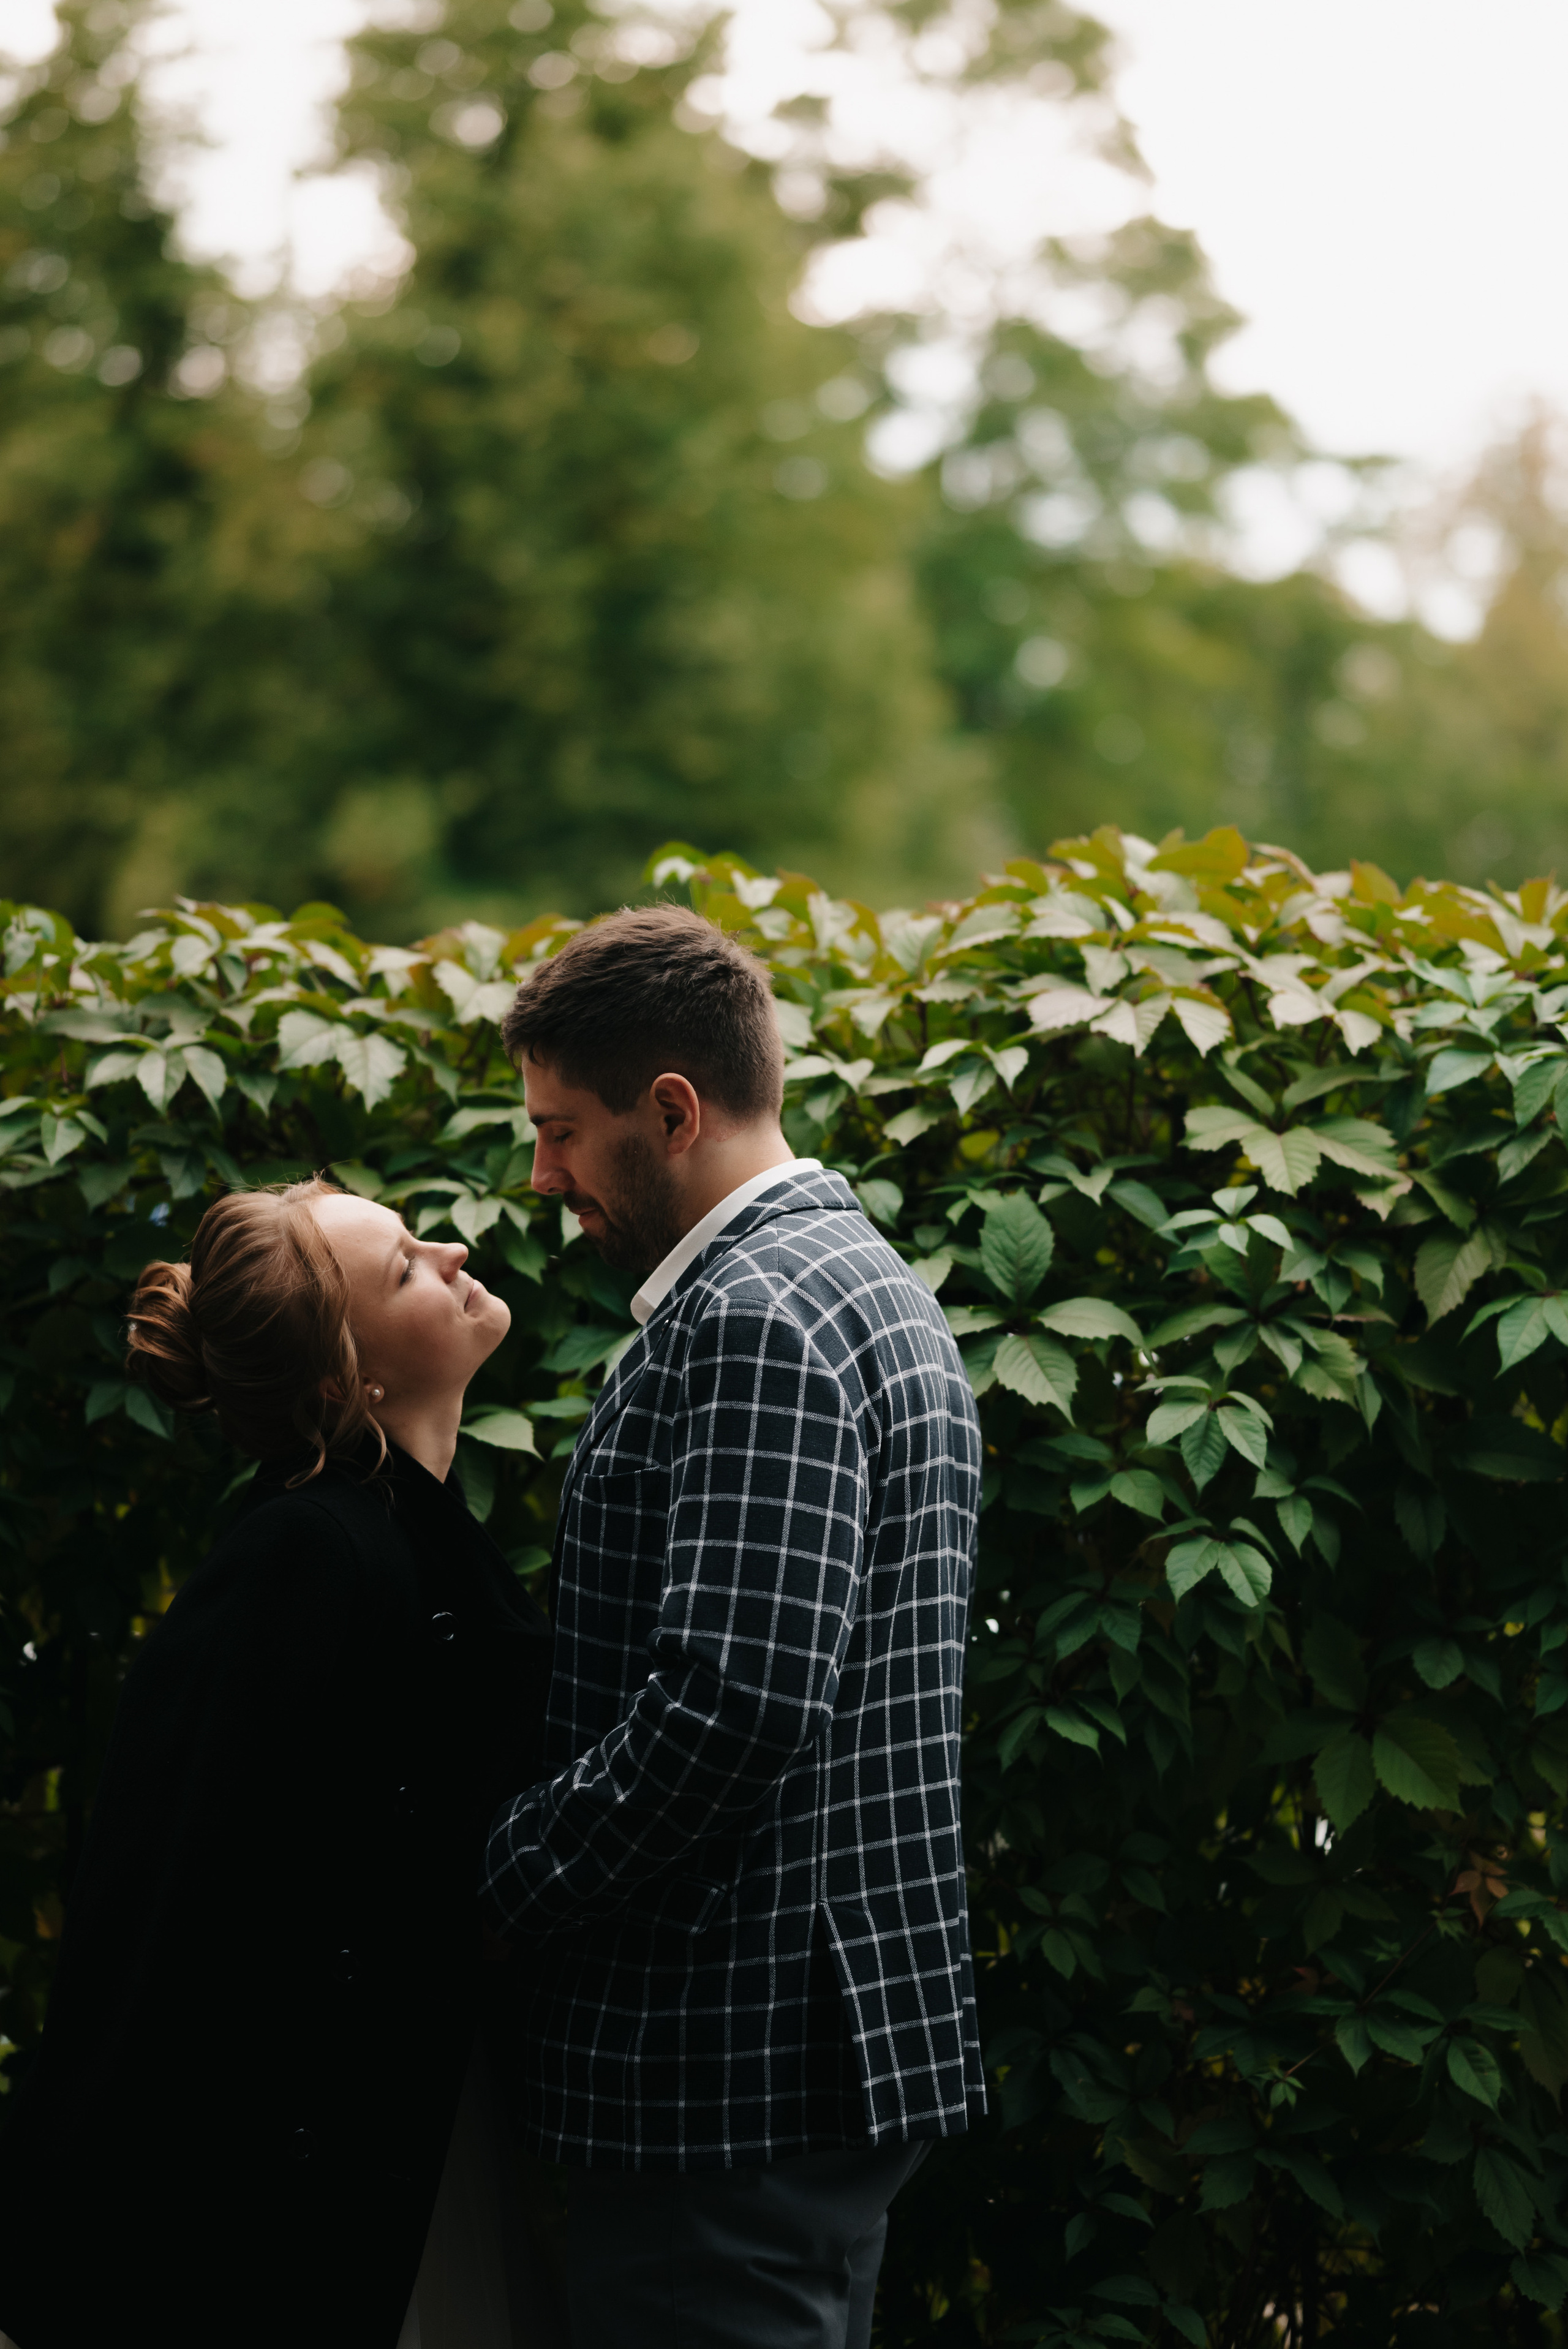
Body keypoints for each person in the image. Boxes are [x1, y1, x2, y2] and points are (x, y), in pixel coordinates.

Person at [481, 905, 985, 2349]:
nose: (542, 1174)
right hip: (799, 2066)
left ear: (673, 1109)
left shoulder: (754, 1314)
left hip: (726, 2074)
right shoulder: (861, 1283)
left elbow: (731, 1702)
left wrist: (500, 1883)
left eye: (562, 1131)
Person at [0, 1178, 556, 2349]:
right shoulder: (303, 1557)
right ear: (348, 1385)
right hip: (283, 2217)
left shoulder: (406, 1532)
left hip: (415, 2152)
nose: (455, 1251)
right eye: (405, 1265)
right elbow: (178, 1914)